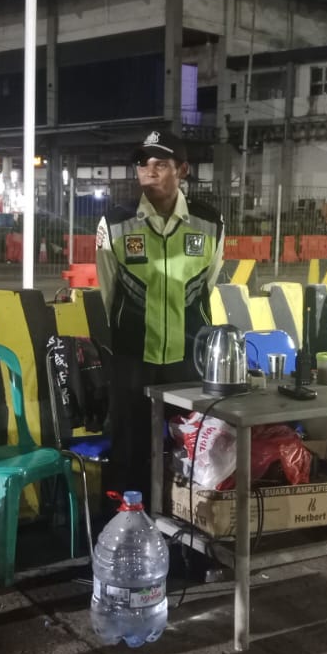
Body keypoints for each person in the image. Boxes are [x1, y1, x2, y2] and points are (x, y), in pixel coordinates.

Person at [96, 130, 224, 499]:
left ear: (182, 170)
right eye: (142, 163)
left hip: (189, 361)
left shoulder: (210, 222)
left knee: (188, 450)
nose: (149, 170)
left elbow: (208, 283)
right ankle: (127, 525)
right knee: (129, 451)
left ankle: (182, 522)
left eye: (161, 163)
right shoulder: (115, 222)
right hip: (133, 360)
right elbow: (108, 292)